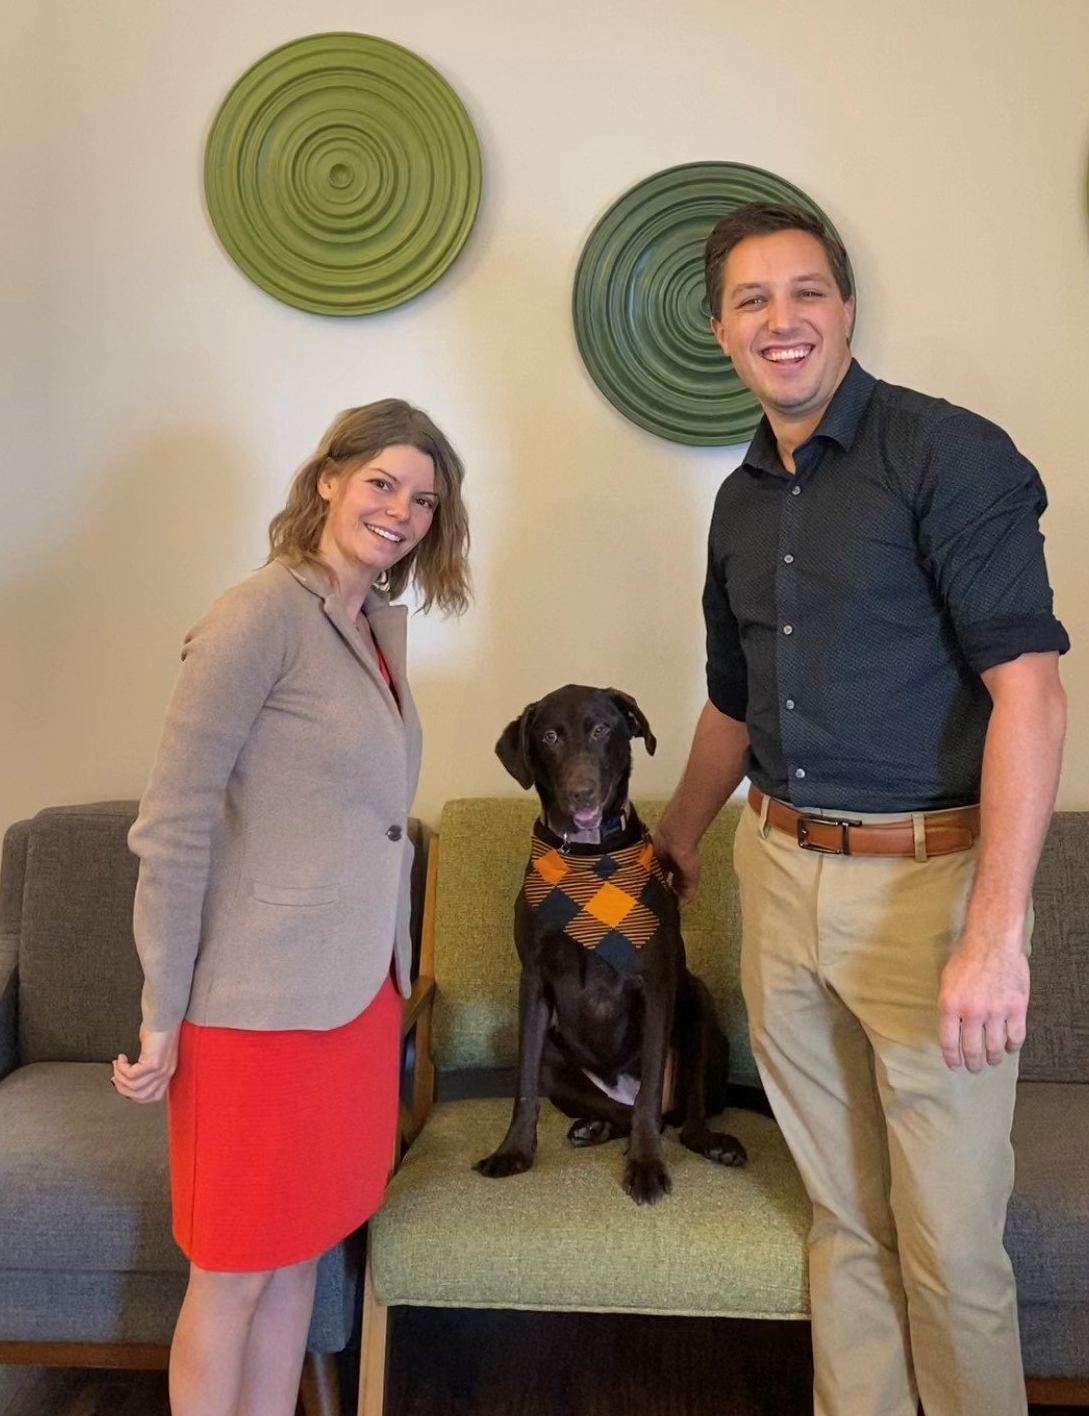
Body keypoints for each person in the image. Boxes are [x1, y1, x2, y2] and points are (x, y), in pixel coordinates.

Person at [653, 202, 1068, 1416]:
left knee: (949, 1246)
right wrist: (677, 833)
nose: (781, 320)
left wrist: (994, 936)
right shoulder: (739, 501)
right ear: (721, 330)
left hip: (932, 890)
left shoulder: (950, 454)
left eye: (805, 293)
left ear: (845, 309)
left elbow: (1031, 698)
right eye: (751, 300)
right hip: (777, 875)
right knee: (843, 1220)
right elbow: (733, 706)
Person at [111, 399, 470, 1416]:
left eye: (424, 499)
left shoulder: (366, 629)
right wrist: (161, 1011)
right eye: (383, 484)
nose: (402, 511)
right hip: (254, 1006)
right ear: (329, 478)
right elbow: (172, 823)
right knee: (231, 1275)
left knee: (300, 1262)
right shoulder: (255, 615)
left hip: (355, 998)